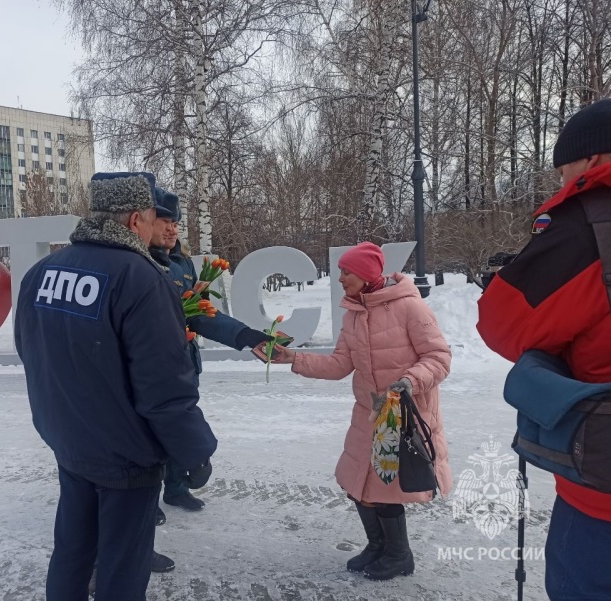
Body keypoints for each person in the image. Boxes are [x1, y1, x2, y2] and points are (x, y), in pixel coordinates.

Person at [14, 171, 217, 601]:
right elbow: (165, 388)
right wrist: (196, 450)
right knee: (123, 567)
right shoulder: (142, 279)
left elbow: (31, 353)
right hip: (126, 458)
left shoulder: (41, 272)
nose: (153, 228)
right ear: (134, 221)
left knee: (72, 551)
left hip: (69, 444)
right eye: (149, 219)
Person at [477, 98, 611, 600]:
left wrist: (505, 283)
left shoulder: (589, 223)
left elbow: (506, 326)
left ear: (592, 160)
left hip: (602, 499)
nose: (562, 184)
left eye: (564, 169)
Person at [272, 242, 452, 580]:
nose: (340, 278)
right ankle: (378, 546)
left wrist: (408, 381)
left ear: (368, 274)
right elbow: (341, 364)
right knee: (356, 483)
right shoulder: (353, 313)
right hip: (369, 413)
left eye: (346, 272)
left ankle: (399, 555)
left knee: (385, 488)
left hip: (404, 414)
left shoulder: (411, 308)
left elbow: (440, 359)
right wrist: (293, 358)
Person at [148, 188, 273, 513]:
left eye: (175, 222)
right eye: (164, 221)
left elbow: (199, 312)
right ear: (145, 222)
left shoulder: (182, 263)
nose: (172, 229)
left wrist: (246, 335)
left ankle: (175, 488)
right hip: (149, 368)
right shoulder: (138, 263)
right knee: (150, 435)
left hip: (184, 363)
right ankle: (145, 501)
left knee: (180, 427)